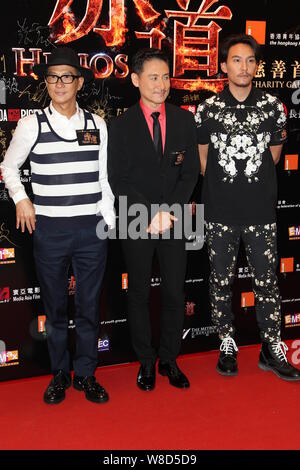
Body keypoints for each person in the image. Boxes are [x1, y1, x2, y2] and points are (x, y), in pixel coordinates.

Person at [1, 47, 116, 403]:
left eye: (67, 77)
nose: (60, 84)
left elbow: (103, 178)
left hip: (90, 229)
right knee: (54, 309)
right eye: (53, 78)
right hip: (49, 230)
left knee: (88, 305)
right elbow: (8, 166)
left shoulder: (97, 125)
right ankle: (60, 374)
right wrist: (22, 198)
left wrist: (108, 220)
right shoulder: (31, 124)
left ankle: (86, 373)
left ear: (79, 82)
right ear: (46, 83)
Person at [195, 34, 300, 381]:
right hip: (220, 213)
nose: (244, 66)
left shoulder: (273, 107)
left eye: (250, 60)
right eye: (236, 60)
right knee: (221, 281)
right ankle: (227, 342)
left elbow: (273, 157)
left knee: (267, 282)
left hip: (260, 214)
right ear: (224, 66)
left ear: (257, 65)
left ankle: (272, 347)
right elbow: (204, 163)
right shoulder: (207, 109)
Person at [108, 48, 199, 391]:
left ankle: (169, 359)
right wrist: (149, 213)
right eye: (153, 77)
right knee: (139, 294)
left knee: (175, 292)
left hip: (175, 217)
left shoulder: (184, 120)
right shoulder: (120, 125)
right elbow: (118, 178)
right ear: (135, 80)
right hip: (136, 219)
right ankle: (145, 361)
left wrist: (168, 211)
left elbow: (190, 174)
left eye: (165, 77)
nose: (161, 85)